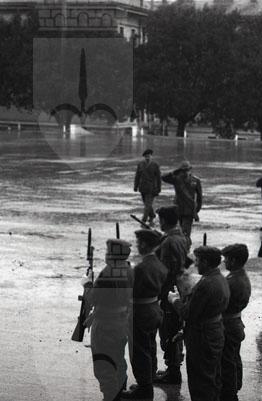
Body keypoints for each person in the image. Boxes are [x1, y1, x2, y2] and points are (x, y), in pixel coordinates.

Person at [168, 246, 230, 401]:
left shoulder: (206, 283)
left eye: (198, 260)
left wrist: (174, 300)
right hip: (214, 331)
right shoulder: (220, 278)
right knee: (212, 377)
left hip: (202, 337)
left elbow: (187, 313)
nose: (195, 264)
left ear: (206, 262)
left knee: (200, 381)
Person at [81, 239, 133, 401]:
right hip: (122, 322)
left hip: (105, 324)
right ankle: (120, 392)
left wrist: (87, 284)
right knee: (118, 359)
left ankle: (110, 396)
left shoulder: (107, 273)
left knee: (103, 363)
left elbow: (93, 298)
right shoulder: (128, 269)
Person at [121, 229, 167, 400]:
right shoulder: (159, 264)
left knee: (139, 352)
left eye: (139, 243)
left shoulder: (141, 268)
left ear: (146, 244)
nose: (137, 246)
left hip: (140, 311)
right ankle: (147, 382)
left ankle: (144, 388)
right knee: (149, 347)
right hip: (154, 308)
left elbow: (130, 292)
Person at [153, 206, 189, 385]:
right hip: (179, 285)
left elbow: (165, 270)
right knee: (174, 327)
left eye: (160, 219)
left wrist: (159, 292)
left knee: (169, 329)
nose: (159, 222)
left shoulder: (169, 241)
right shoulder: (181, 236)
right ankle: (173, 368)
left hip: (169, 288)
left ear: (165, 220)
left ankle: (173, 371)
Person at [220, 244, 252, 401]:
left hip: (228, 324)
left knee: (226, 361)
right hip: (236, 322)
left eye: (226, 258)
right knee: (233, 358)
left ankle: (229, 393)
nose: (224, 261)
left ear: (233, 260)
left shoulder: (232, 281)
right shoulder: (240, 276)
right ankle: (234, 387)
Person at [162, 161, 202, 241]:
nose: (185, 172)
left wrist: (196, 210)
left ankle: (186, 246)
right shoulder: (177, 179)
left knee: (186, 232)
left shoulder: (195, 180)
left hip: (189, 209)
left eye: (187, 170)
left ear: (190, 170)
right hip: (178, 208)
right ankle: (182, 245)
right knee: (178, 231)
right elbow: (163, 177)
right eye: (183, 170)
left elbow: (199, 197)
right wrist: (174, 172)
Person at [134, 149, 162, 225]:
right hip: (142, 188)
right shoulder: (140, 164)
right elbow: (137, 176)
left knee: (147, 206)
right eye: (146, 156)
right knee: (147, 205)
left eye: (149, 156)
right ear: (144, 157)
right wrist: (135, 186)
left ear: (151, 156)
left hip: (152, 189)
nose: (147, 158)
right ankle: (152, 215)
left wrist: (159, 188)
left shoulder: (155, 165)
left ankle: (143, 221)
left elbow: (159, 178)